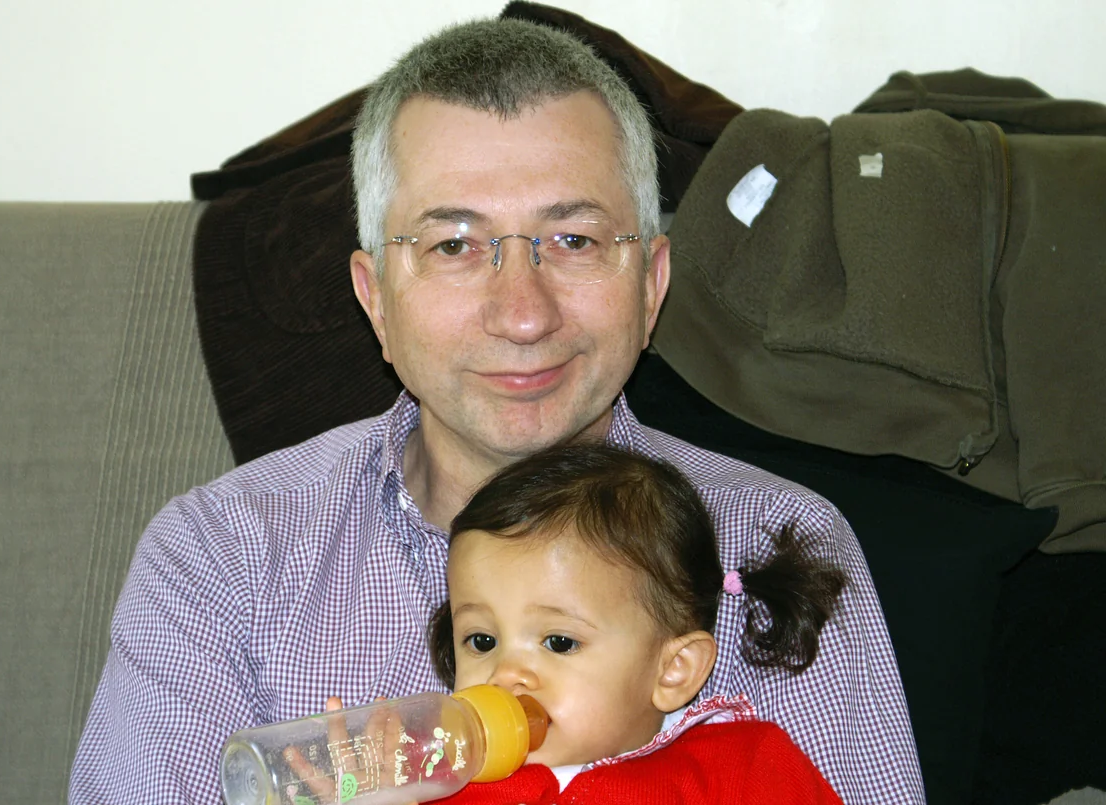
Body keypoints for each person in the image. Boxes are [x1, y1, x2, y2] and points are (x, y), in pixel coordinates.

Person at [70, 17, 923, 805]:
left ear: (652, 283)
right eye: (454, 244)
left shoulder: (777, 541)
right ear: (375, 298)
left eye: (575, 240)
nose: (523, 315)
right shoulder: (223, 559)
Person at [426, 442, 844, 804]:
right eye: (481, 641)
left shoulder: (745, 770)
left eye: (559, 642)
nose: (503, 675)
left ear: (674, 669)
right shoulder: (439, 776)